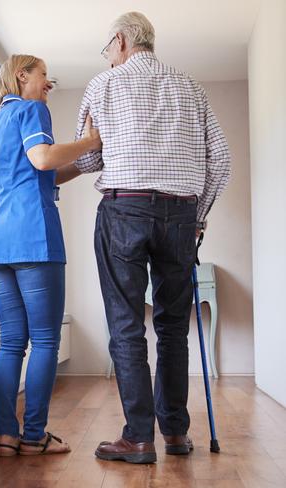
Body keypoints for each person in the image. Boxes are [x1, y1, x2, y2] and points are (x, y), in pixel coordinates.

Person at [73, 12, 231, 463]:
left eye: (108, 49)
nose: (107, 58)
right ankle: (176, 435)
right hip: (180, 213)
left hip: (124, 208)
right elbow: (220, 160)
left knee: (126, 326)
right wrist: (196, 216)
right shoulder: (191, 87)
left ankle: (139, 438)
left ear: (120, 42)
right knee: (173, 328)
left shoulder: (104, 86)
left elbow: (87, 159)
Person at [0, 54, 102, 456]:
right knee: (45, 340)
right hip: (33, 237)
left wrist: (82, 164)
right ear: (22, 75)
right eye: (45, 76)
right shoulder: (32, 110)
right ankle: (33, 436)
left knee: (11, 342)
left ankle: (7, 434)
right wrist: (90, 142)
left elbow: (41, 171)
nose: (49, 84)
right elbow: (43, 158)